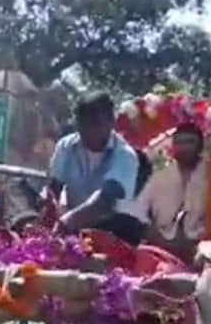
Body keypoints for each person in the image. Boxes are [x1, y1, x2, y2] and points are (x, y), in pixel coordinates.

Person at [48, 91, 144, 245]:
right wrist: (48, 215)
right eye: (82, 124)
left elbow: (104, 200)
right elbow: (53, 189)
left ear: (111, 122)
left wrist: (69, 220)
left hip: (113, 232)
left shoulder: (125, 156)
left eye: (94, 124)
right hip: (72, 229)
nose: (87, 131)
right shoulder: (65, 146)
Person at [134, 122, 207, 258]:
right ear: (173, 146)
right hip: (159, 245)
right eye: (179, 142)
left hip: (201, 249)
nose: (184, 147)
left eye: (189, 142)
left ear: (200, 146)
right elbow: (138, 210)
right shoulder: (160, 177)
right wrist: (154, 235)